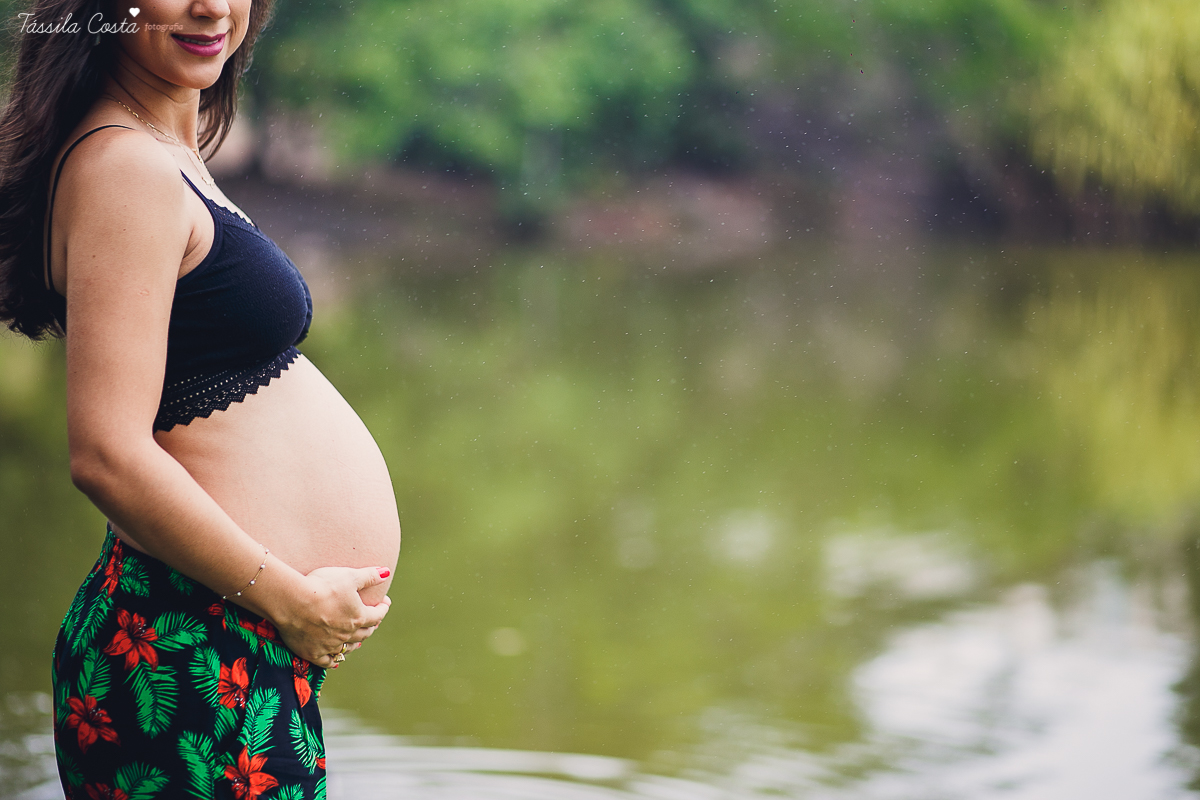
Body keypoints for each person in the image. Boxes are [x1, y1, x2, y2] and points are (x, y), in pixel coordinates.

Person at [0, 0, 403, 796]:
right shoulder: (127, 168)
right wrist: (290, 601)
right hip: (189, 651)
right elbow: (107, 455)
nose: (212, 5)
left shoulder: (161, 152)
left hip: (221, 646)